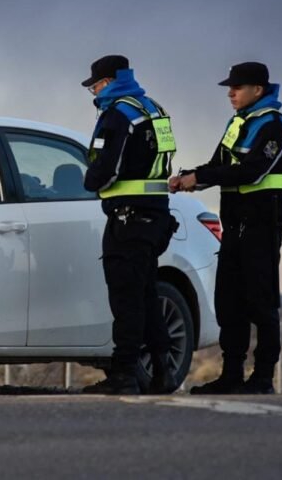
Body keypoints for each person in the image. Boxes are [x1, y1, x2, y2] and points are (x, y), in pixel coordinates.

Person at [170, 62, 282, 395]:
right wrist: (191, 179)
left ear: (258, 90)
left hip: (261, 226)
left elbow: (253, 172)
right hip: (234, 227)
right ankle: (231, 376)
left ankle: (263, 378)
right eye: (230, 88)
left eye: (237, 87)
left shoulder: (275, 125)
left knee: (261, 303)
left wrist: (201, 177)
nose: (231, 93)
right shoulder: (238, 123)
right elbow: (219, 166)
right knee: (230, 302)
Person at [82, 55, 179, 395]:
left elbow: (106, 166)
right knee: (147, 294)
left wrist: (90, 180)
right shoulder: (155, 108)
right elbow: (165, 157)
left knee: (126, 298)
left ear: (108, 81)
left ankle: (123, 373)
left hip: (128, 217)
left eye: (94, 84)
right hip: (156, 215)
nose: (93, 90)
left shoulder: (118, 114)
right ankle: (162, 370)